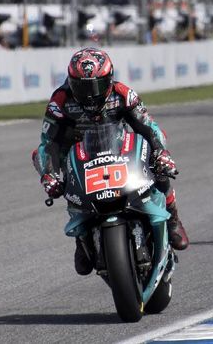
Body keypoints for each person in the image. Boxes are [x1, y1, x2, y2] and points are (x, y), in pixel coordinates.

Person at [31, 48, 189, 276]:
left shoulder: (123, 94)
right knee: (56, 173)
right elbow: (48, 142)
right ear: (70, 81)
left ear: (109, 78)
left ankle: (173, 218)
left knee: (159, 165)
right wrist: (49, 174)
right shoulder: (60, 101)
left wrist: (161, 152)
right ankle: (82, 235)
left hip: (118, 145)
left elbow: (148, 126)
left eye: (96, 85)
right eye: (82, 87)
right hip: (77, 151)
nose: (90, 94)